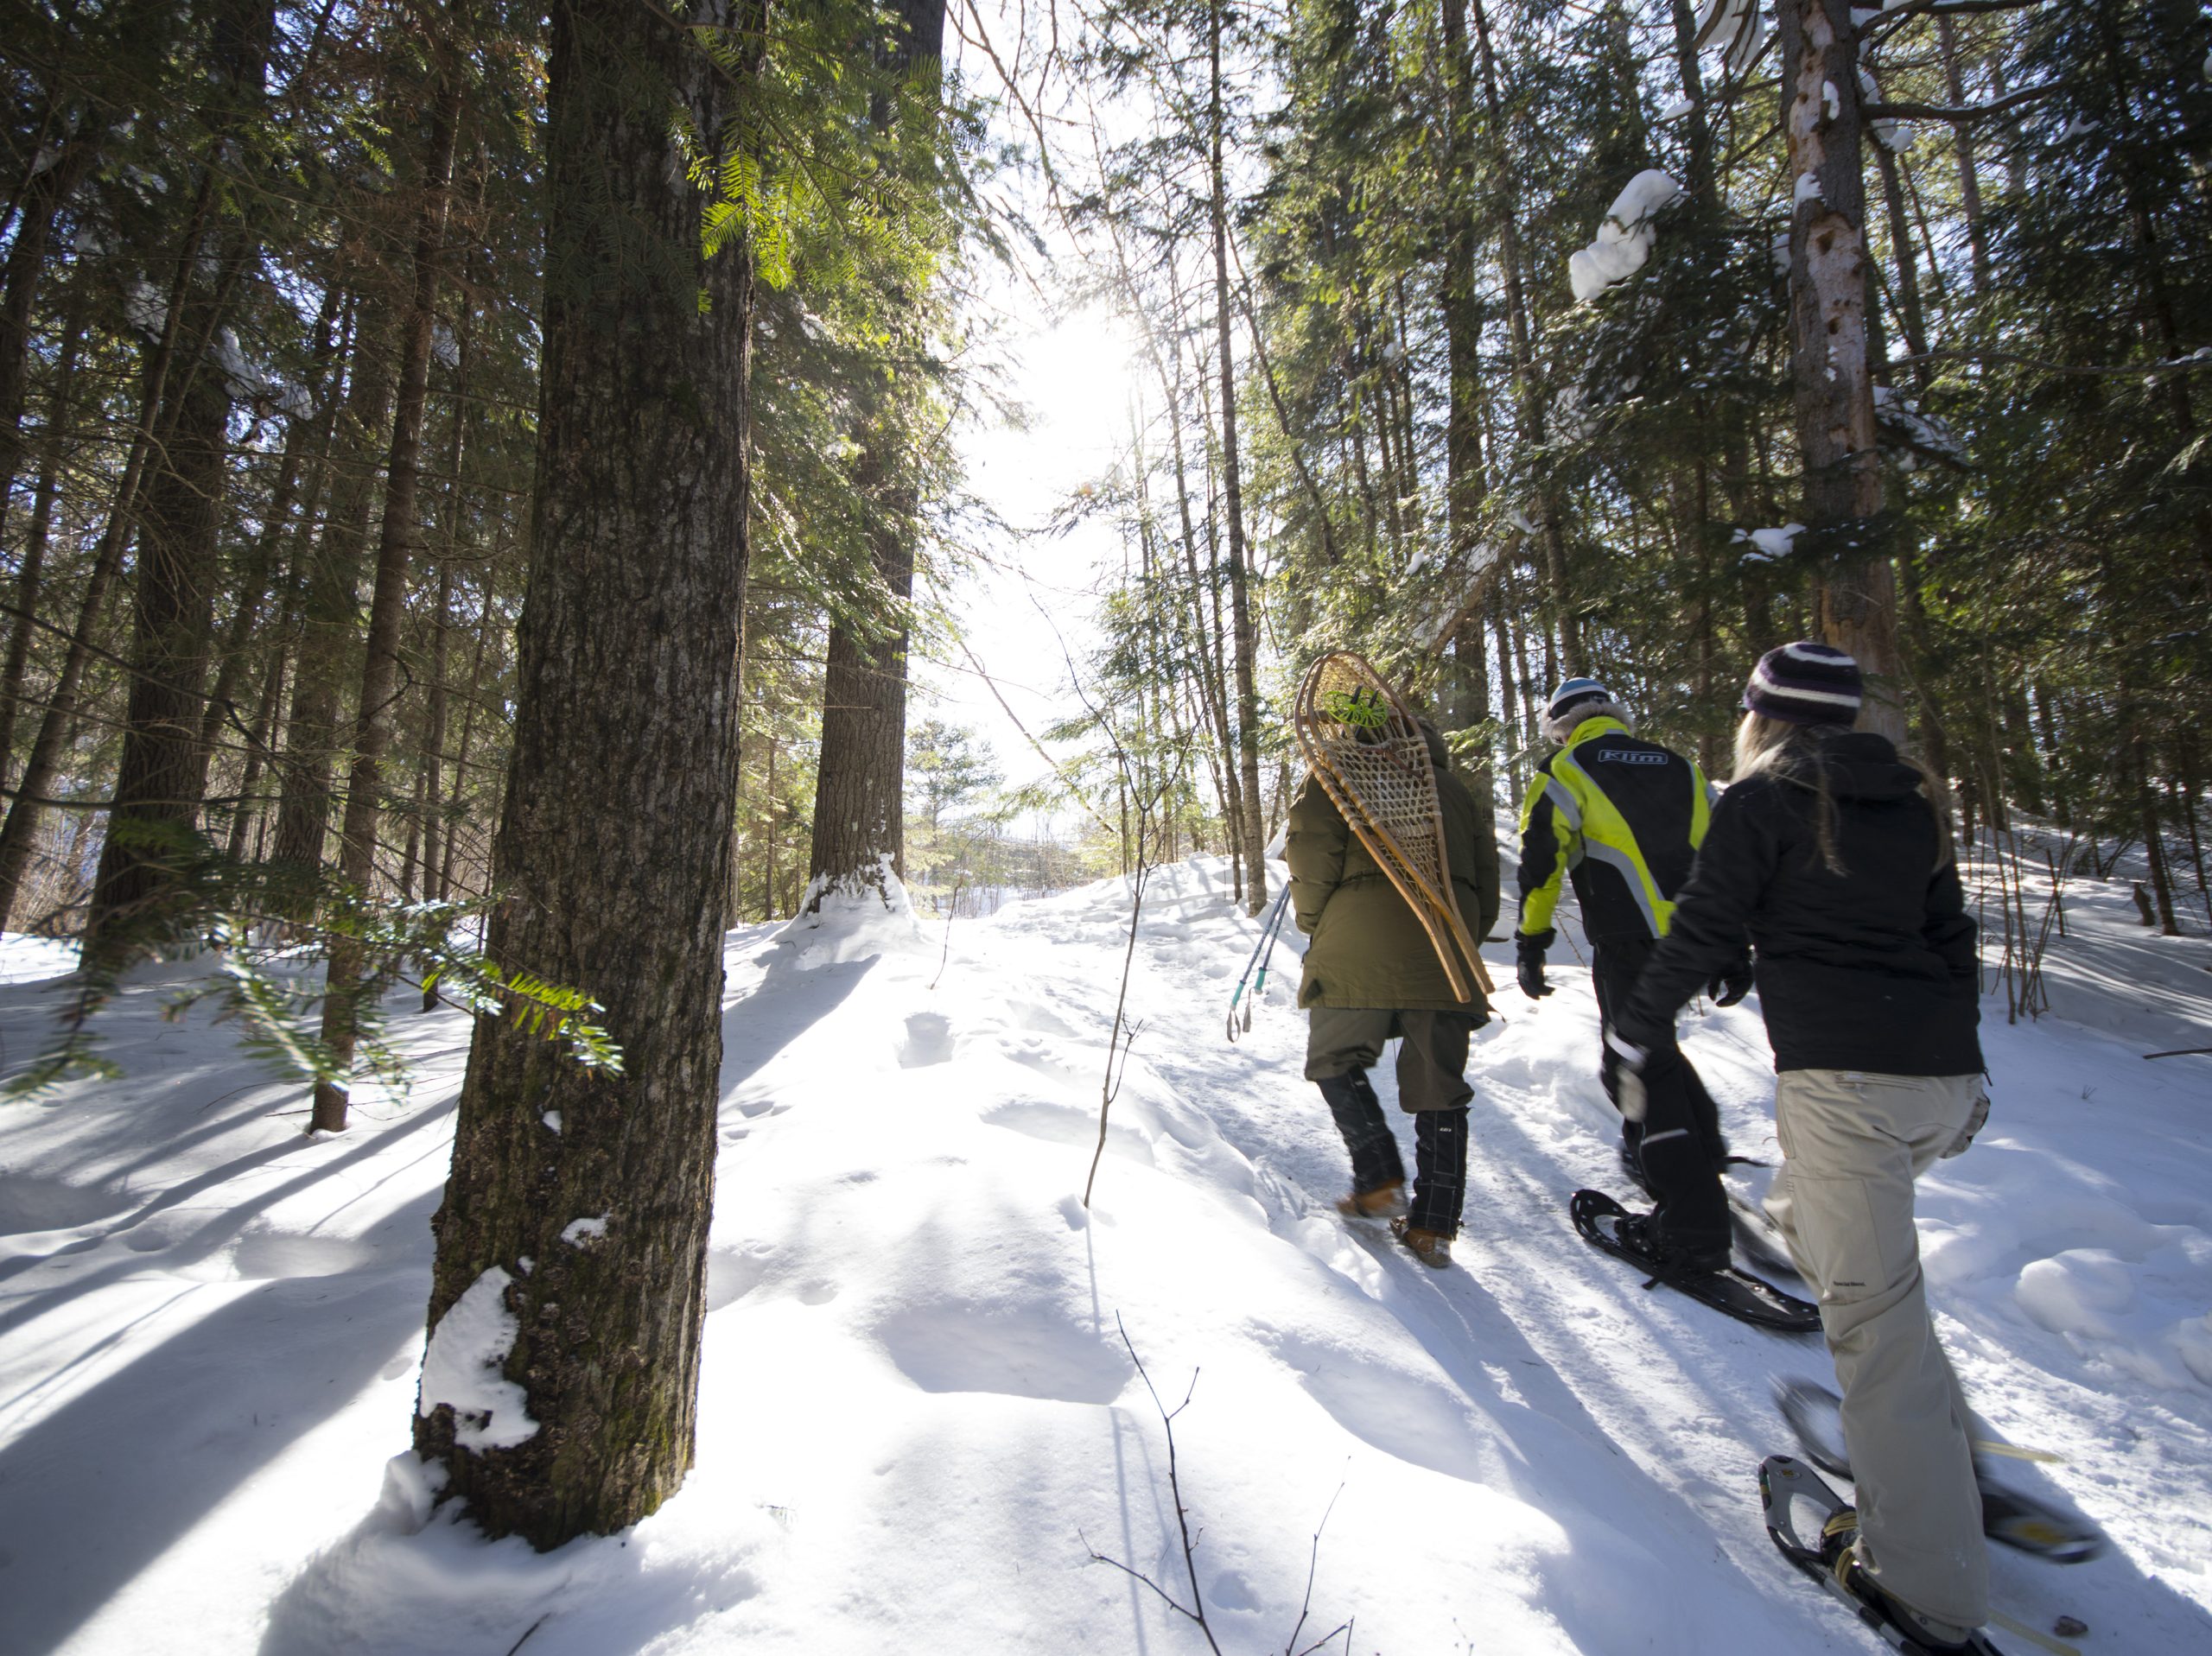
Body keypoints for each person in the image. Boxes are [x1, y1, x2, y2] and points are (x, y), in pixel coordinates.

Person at [1611, 642, 1991, 1653]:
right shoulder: (1906, 803)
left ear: (1762, 718)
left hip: (1847, 1091)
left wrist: (1634, 1032)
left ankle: (1927, 1584)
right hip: (1939, 1089)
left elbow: (1695, 928)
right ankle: (1945, 1465)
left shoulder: (1760, 799)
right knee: (1829, 1243)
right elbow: (1943, 943)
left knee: (1871, 1327)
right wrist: (1966, 1071)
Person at [1513, 676, 1748, 1272]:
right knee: (1654, 1051)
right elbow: (1728, 854)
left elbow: (1541, 863)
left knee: (1634, 1065)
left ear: (1562, 726)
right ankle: (1703, 1153)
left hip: (1628, 940)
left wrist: (1532, 940)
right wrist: (1733, 946)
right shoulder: (1682, 766)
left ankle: (1693, 1227)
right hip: (1696, 938)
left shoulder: (1566, 768)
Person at [1285, 716, 1499, 1269]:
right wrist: (1463, 941)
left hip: (1360, 936)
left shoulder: (1335, 773)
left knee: (1333, 1058)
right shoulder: (1452, 789)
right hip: (1448, 944)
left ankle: (1378, 1178)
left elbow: (1310, 854)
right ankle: (1433, 1226)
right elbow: (1485, 873)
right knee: (1440, 1084)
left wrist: (1315, 922)